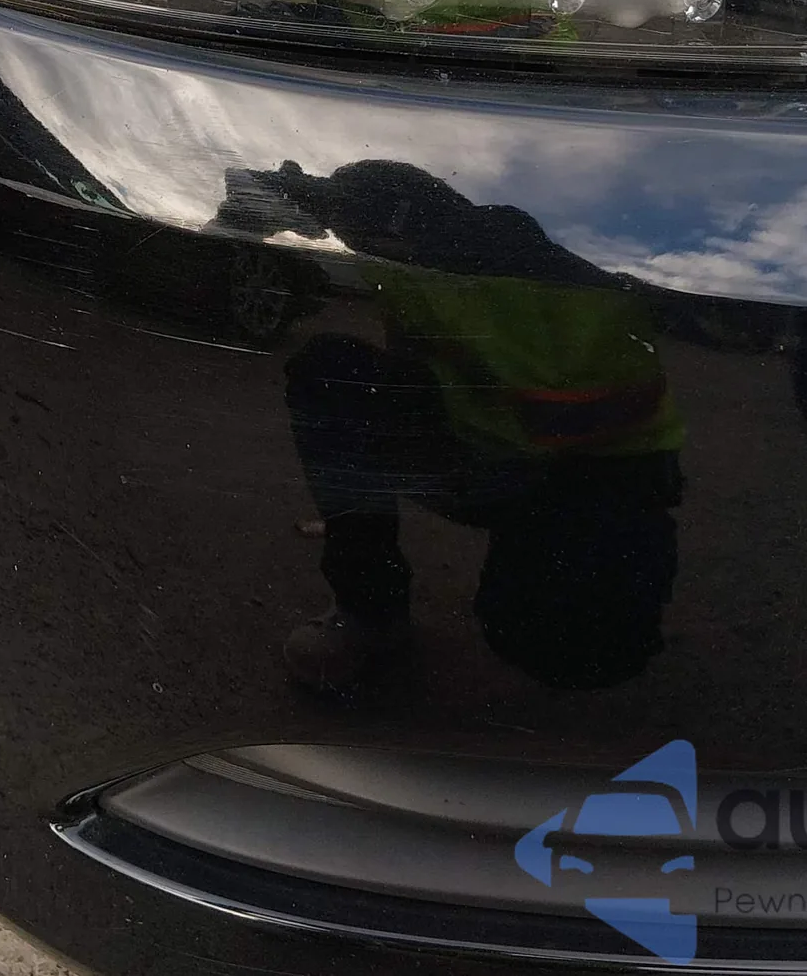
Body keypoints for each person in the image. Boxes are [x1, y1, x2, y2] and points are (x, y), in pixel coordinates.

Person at [215, 160, 684, 692]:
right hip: (479, 456)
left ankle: (603, 580)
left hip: (592, 474)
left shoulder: (541, 268)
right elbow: (304, 203)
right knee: (331, 372)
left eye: (356, 215)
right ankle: (370, 610)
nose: (350, 235)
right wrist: (277, 197)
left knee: (568, 652)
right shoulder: (400, 255)